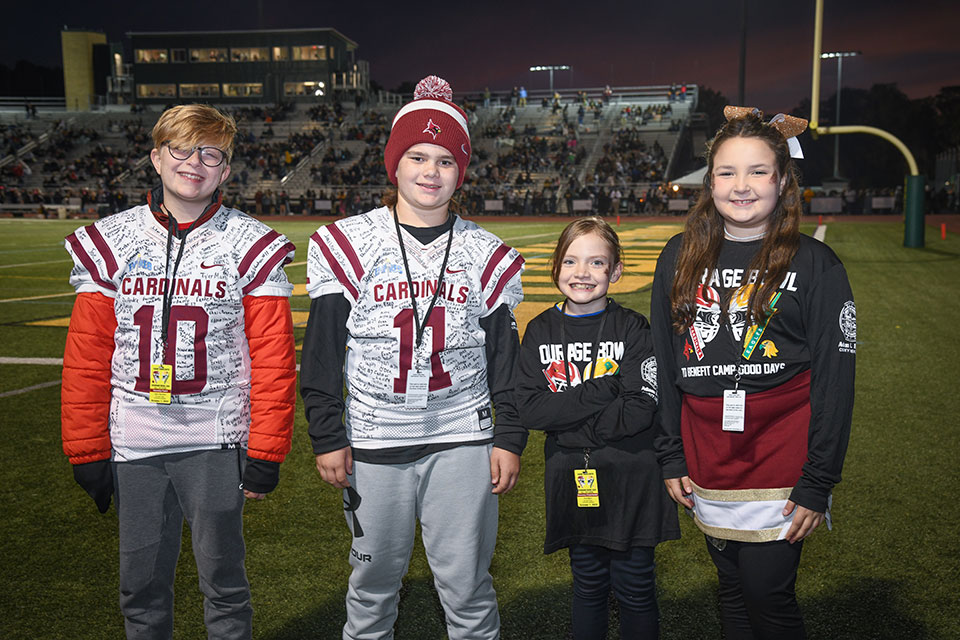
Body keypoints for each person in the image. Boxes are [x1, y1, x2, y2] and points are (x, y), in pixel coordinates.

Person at [300, 75, 527, 640]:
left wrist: (509, 436)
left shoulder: (487, 253)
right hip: (375, 438)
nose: (431, 171)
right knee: (372, 586)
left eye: (446, 160)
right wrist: (328, 433)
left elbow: (504, 359)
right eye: (418, 157)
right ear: (394, 165)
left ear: (462, 172)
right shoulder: (346, 242)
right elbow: (323, 351)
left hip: (462, 436)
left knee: (468, 586)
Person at [60, 104, 297, 638]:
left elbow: (274, 358)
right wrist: (86, 446)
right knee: (139, 586)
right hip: (133, 441)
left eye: (210, 153)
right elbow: (87, 354)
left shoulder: (251, 244)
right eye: (182, 149)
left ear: (226, 169)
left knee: (224, 583)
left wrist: (266, 449)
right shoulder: (112, 239)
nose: (195, 162)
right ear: (156, 157)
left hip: (214, 437)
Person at [651, 106, 856, 639]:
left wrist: (817, 482)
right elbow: (665, 359)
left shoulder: (816, 264)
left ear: (783, 178)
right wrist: (671, 451)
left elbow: (836, 382)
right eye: (727, 172)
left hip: (781, 455)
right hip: (707, 454)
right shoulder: (679, 255)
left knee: (768, 593)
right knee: (733, 591)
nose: (741, 186)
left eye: (758, 171)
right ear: (709, 180)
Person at [517, 217, 679, 639]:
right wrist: (604, 388)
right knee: (587, 583)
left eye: (596, 263)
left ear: (616, 271)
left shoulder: (633, 328)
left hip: (632, 474)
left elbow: (642, 406)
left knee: (635, 586)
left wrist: (569, 423)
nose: (582, 273)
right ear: (555, 268)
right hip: (573, 476)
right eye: (570, 261)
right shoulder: (539, 330)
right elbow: (531, 409)